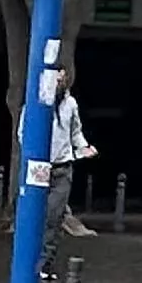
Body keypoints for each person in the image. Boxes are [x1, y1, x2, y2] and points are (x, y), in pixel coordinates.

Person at [49, 69, 97, 239]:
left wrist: (83, 147)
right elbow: (22, 132)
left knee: (54, 216)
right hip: (41, 167)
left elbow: (75, 131)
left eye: (62, 79)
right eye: (56, 79)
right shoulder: (38, 101)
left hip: (62, 166)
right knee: (36, 214)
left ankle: (48, 253)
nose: (59, 83)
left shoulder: (70, 104)